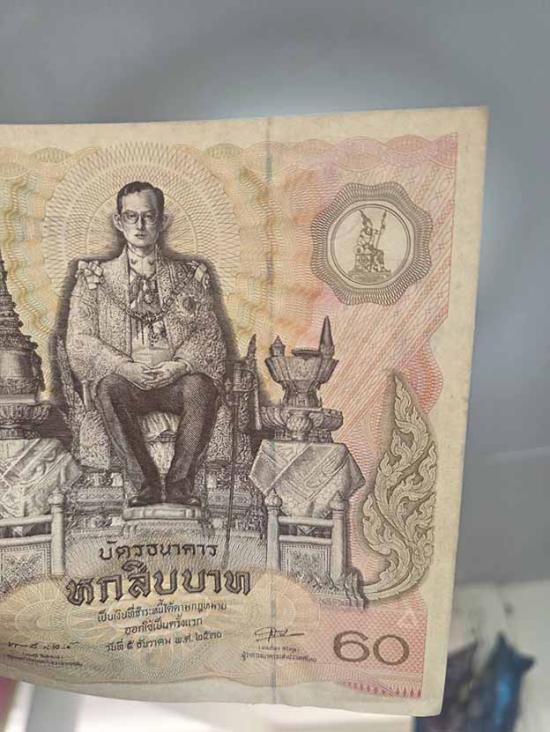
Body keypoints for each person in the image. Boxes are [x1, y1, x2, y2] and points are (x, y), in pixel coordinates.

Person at [66, 181, 227, 507]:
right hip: (127, 383)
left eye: (148, 216)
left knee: (201, 387)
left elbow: (209, 335)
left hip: (175, 381)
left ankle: (180, 487)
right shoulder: (94, 279)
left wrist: (178, 366)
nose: (140, 225)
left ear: (162, 221)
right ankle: (146, 487)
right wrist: (123, 367)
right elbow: (79, 340)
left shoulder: (188, 276)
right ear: (118, 221)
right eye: (131, 216)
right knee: (108, 388)